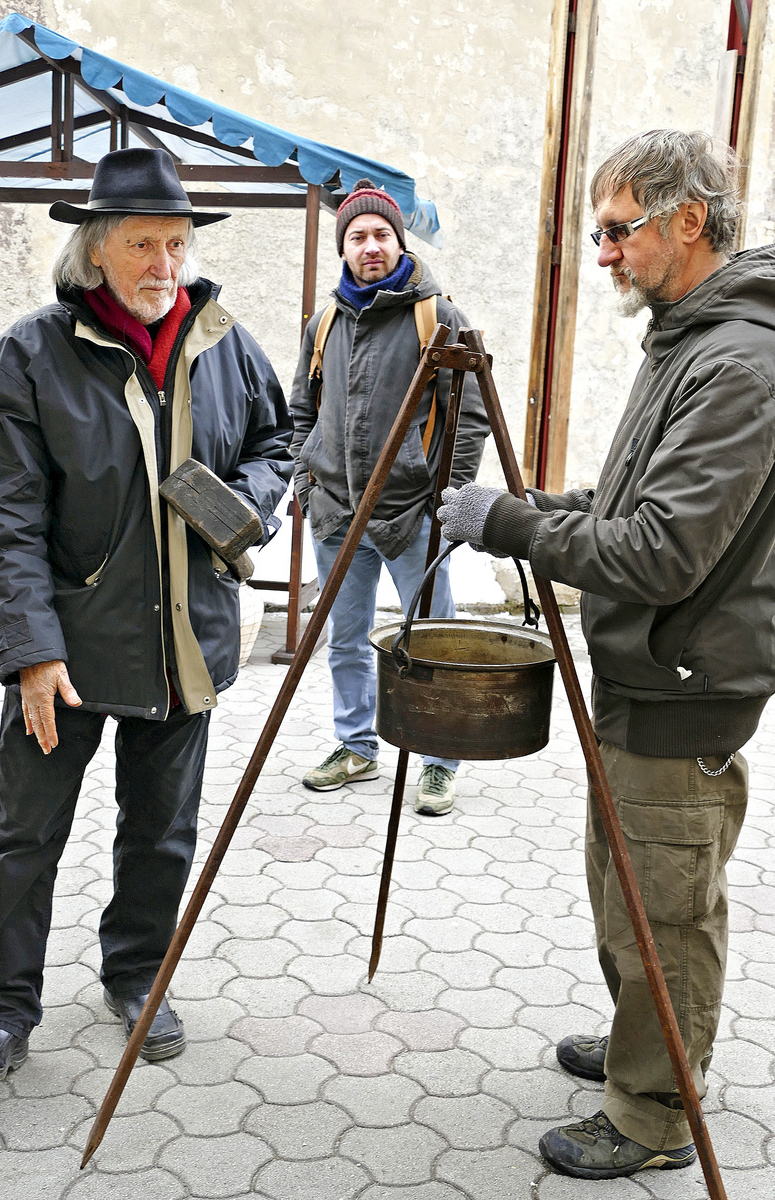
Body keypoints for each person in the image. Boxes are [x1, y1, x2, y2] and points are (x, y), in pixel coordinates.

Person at [439, 130, 775, 1178]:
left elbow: (660, 550)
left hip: (687, 682)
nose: (602, 254)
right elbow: (629, 504)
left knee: (668, 906)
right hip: (646, 673)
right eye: (597, 232)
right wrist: (525, 507)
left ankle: (655, 1110)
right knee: (625, 882)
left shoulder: (741, 358)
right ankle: (648, 1042)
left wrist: (507, 528)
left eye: (617, 231)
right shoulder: (691, 338)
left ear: (688, 221)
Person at [0, 148, 293, 1081]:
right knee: (26, 834)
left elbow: (280, 435)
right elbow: (1, 516)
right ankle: (2, 1009)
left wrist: (242, 499)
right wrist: (27, 652)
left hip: (186, 640)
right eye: (143, 243)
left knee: (162, 830)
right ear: (96, 251)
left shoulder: (223, 341)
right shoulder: (29, 355)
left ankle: (140, 973)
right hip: (68, 648)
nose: (163, 264)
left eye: (176, 243)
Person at [289, 178, 489, 815]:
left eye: (381, 235)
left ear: (399, 242)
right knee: (345, 639)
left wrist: (446, 497)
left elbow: (472, 415)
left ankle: (439, 760)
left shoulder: (440, 317)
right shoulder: (325, 322)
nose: (370, 246)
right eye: (357, 237)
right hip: (335, 513)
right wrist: (304, 475)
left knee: (432, 638)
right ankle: (357, 745)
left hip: (410, 516)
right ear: (344, 248)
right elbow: (302, 408)